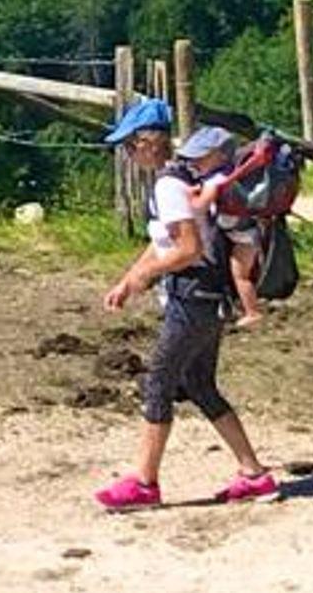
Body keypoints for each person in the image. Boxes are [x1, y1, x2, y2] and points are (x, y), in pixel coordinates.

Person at [94, 100, 277, 511]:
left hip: (190, 299)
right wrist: (129, 279)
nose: (127, 155)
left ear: (147, 143)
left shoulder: (168, 187)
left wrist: (145, 275)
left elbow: (188, 249)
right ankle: (253, 474)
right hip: (211, 298)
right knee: (199, 384)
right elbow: (163, 241)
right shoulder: (187, 176)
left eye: (129, 146)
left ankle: (144, 483)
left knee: (158, 383)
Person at [184, 126, 265, 329]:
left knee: (240, 275)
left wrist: (189, 197)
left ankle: (252, 312)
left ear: (220, 156)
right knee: (235, 272)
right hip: (243, 231)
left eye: (201, 157)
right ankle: (238, 307)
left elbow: (200, 206)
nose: (194, 162)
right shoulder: (228, 174)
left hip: (242, 236)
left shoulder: (215, 180)